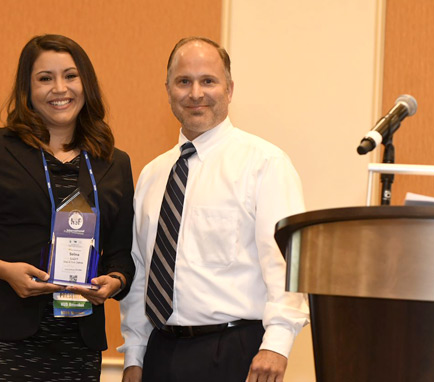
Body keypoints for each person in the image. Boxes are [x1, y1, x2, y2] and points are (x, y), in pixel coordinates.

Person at [0, 34, 135, 382]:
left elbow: (120, 253)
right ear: (27, 89)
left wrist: (114, 281)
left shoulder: (113, 163)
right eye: (45, 78)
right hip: (3, 335)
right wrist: (5, 271)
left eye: (70, 76)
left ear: (86, 83)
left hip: (79, 340)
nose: (61, 88)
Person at [118, 36, 309, 382]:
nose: (195, 94)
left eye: (208, 81)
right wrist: (135, 353)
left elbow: (287, 262)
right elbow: (142, 273)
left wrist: (277, 344)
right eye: (183, 82)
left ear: (230, 89)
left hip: (236, 352)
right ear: (168, 89)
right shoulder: (152, 175)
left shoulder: (265, 163)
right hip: (159, 352)